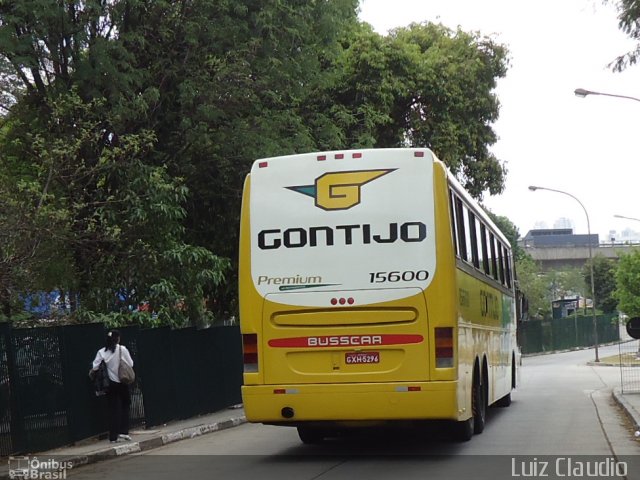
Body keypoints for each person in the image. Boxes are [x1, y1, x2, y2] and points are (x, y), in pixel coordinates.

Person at [91, 330, 134, 443]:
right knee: (125, 407)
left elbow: (95, 367)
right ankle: (124, 432)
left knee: (113, 410)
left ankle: (113, 436)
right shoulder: (122, 349)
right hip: (123, 382)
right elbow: (130, 364)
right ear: (118, 338)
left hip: (109, 384)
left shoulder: (101, 352)